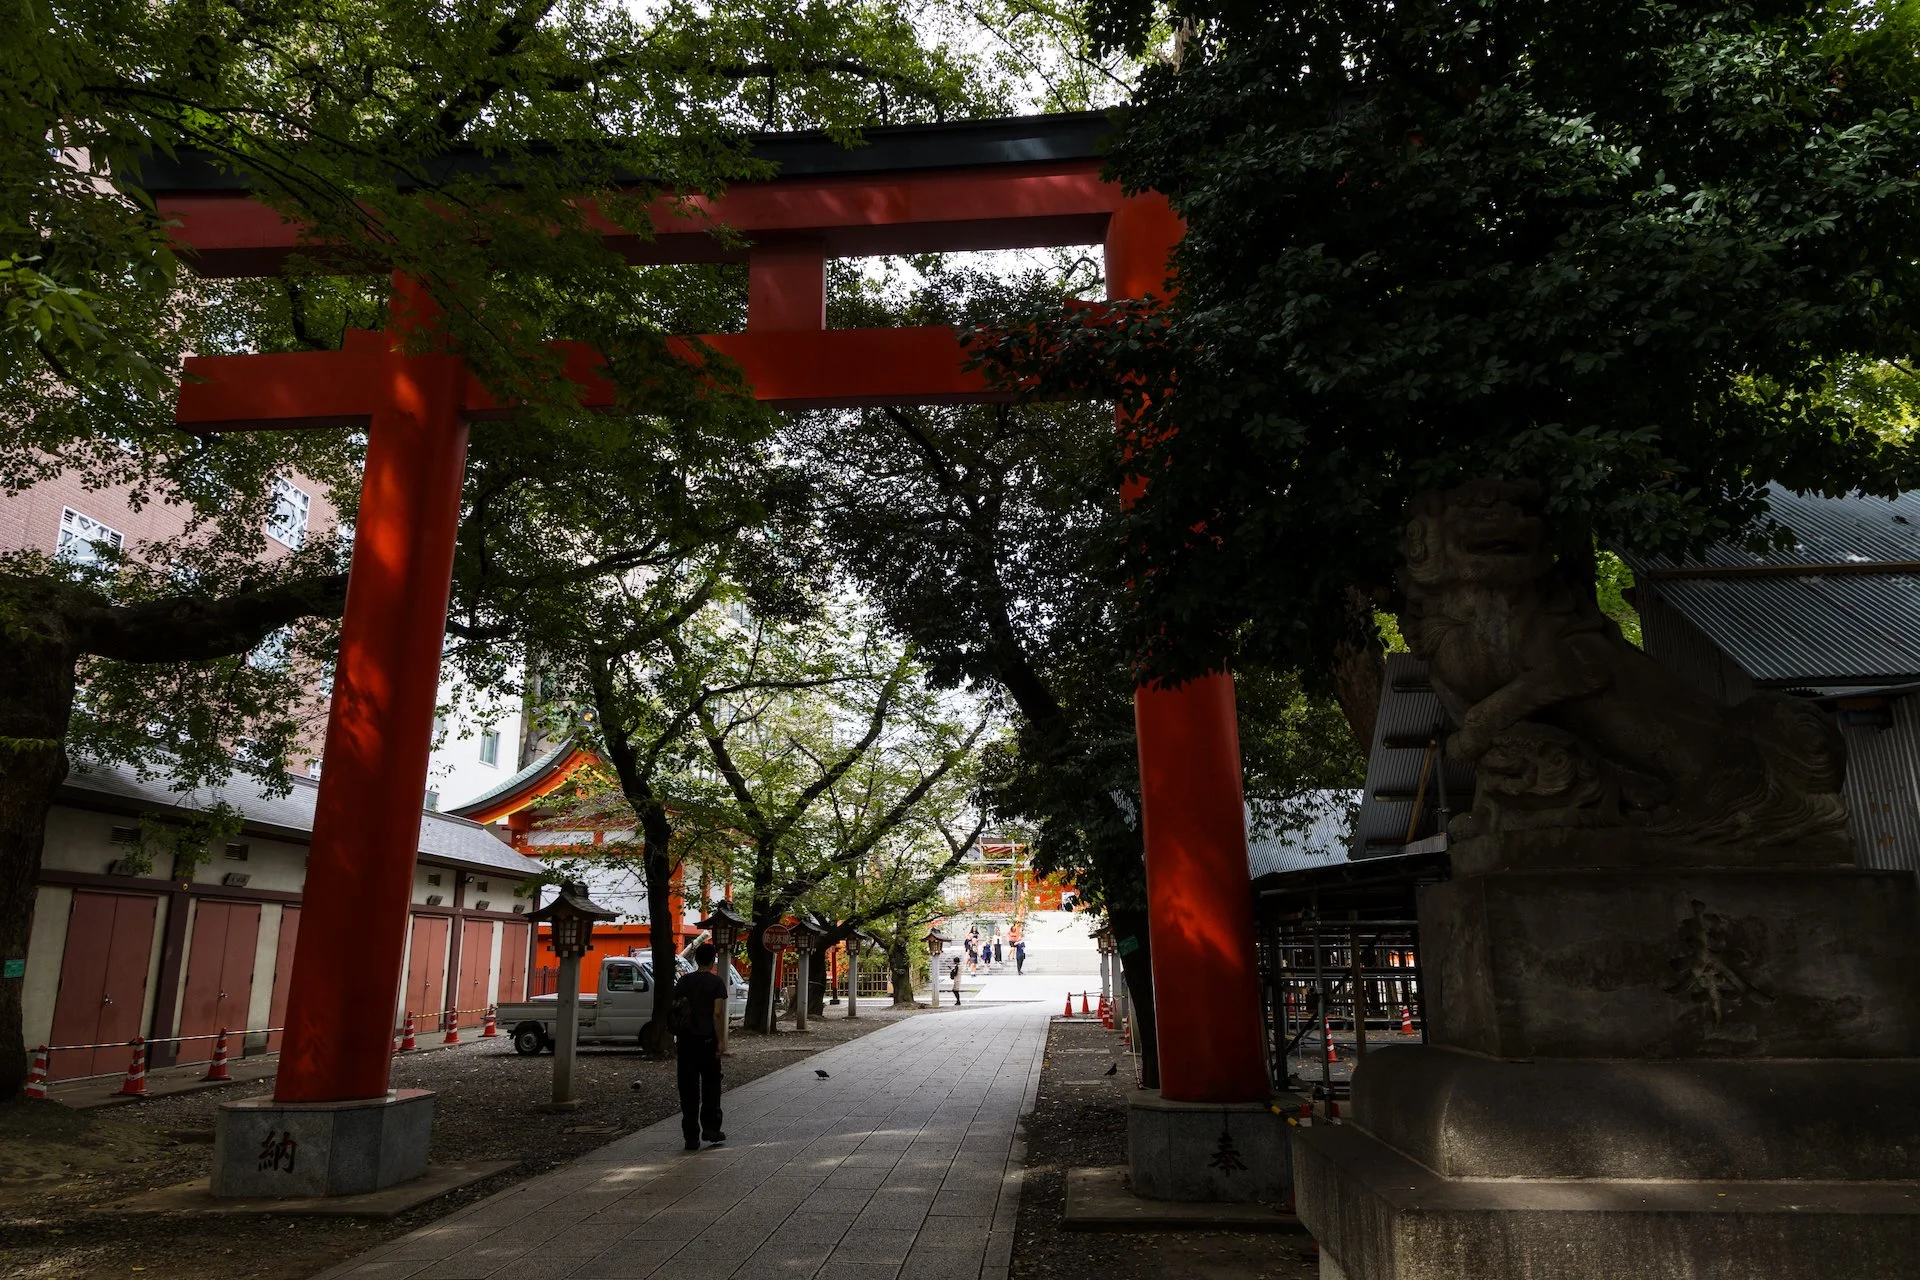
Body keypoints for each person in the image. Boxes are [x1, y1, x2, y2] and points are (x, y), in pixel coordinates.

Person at [673, 942, 729, 1151]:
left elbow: (677, 1008)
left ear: (696, 959)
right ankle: (711, 1129)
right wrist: (721, 1039)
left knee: (688, 1089)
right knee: (711, 1085)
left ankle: (690, 1136)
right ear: (713, 959)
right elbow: (717, 1013)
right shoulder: (716, 983)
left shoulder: (684, 981)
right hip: (707, 1040)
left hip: (686, 1041)